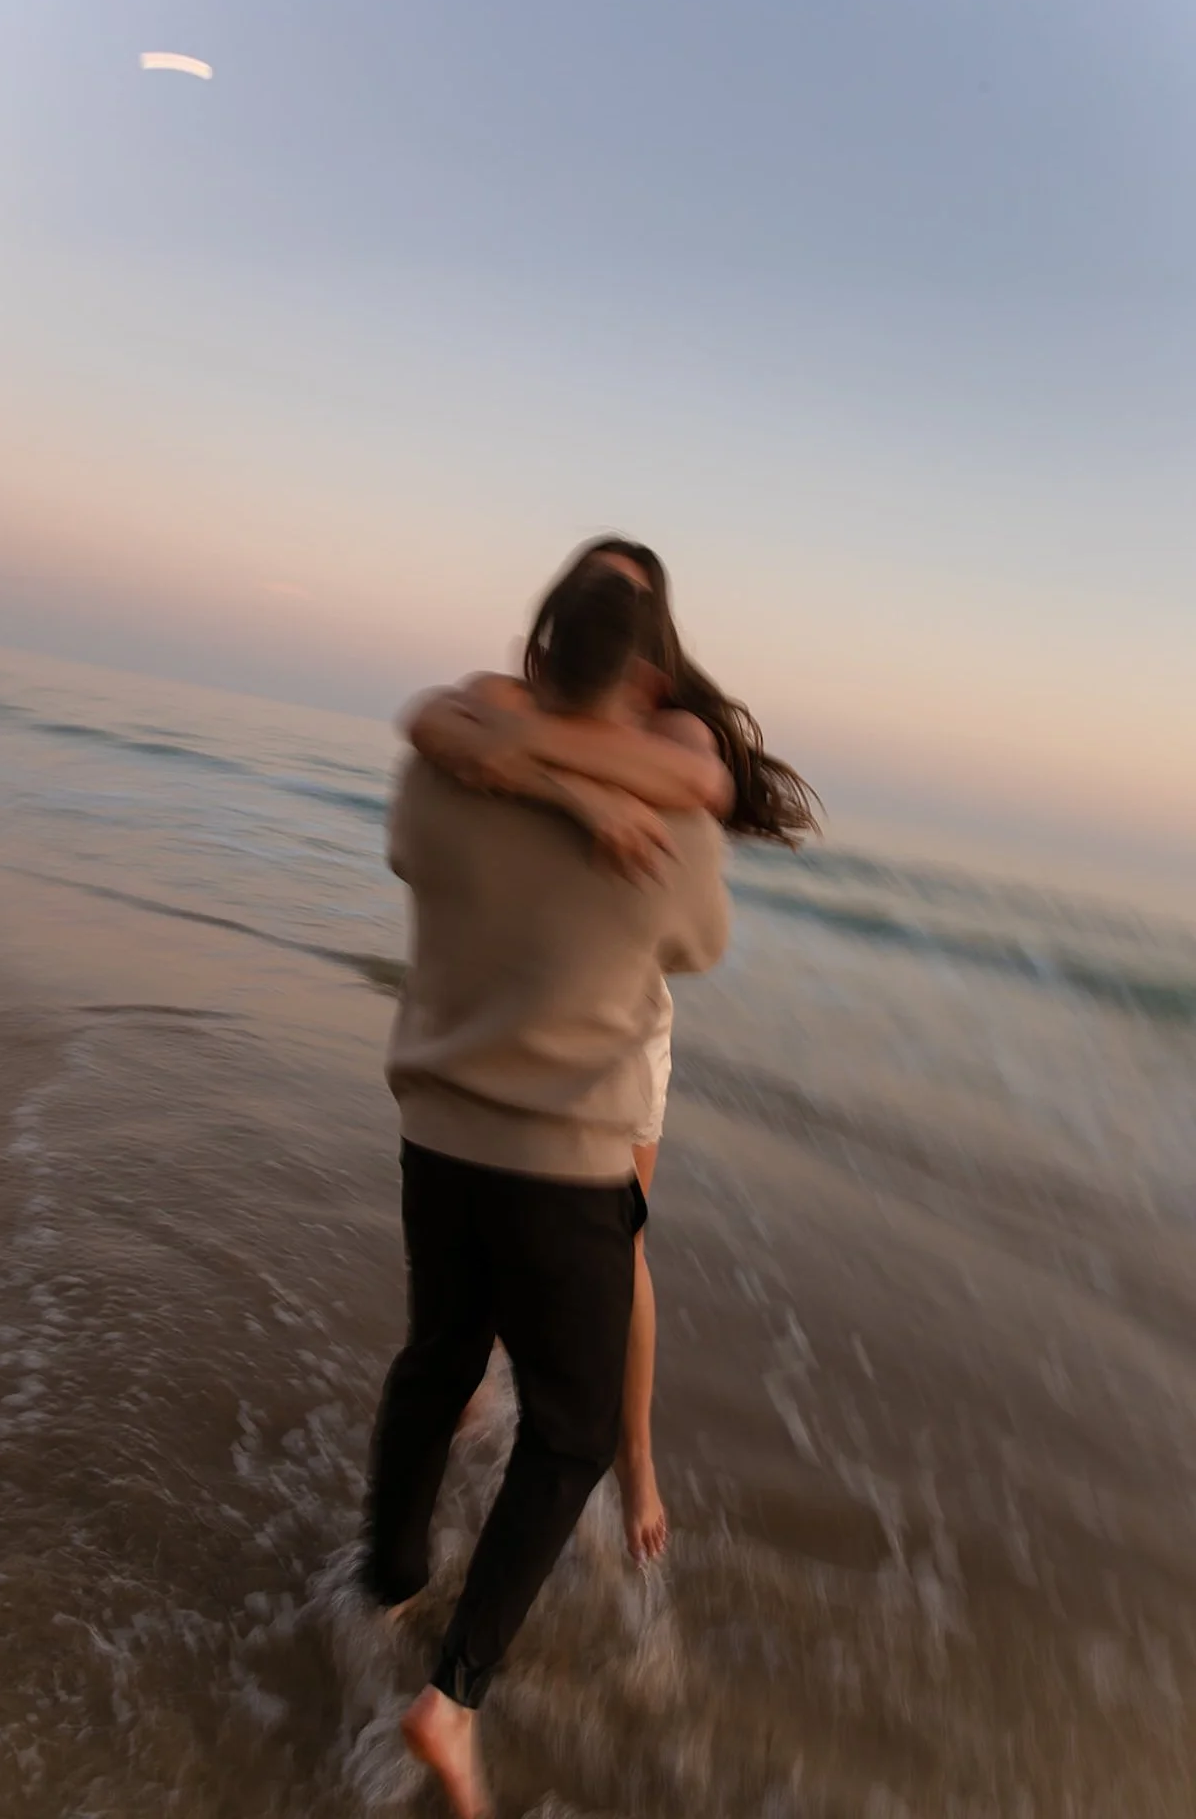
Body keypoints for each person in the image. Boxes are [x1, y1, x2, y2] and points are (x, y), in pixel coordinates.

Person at [362, 558, 730, 1819]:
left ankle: (388, 1574)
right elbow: (699, 943)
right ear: (640, 673)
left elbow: (412, 846)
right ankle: (449, 1699)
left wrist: (522, 764)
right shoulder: (666, 814)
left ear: (536, 644)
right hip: (563, 1168)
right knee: (566, 1433)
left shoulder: (448, 758)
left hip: (436, 1140)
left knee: (435, 1356)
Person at [401, 536, 818, 1564]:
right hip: (513, 978)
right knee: (498, 1196)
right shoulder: (519, 693)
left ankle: (632, 1454)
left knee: (612, 1235)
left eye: (629, 603)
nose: (607, 619)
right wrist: (574, 792)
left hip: (619, 1005)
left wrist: (515, 748)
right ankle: (476, 1375)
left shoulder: (671, 726)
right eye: (597, 595)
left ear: (651, 646)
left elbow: (696, 788)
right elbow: (423, 718)